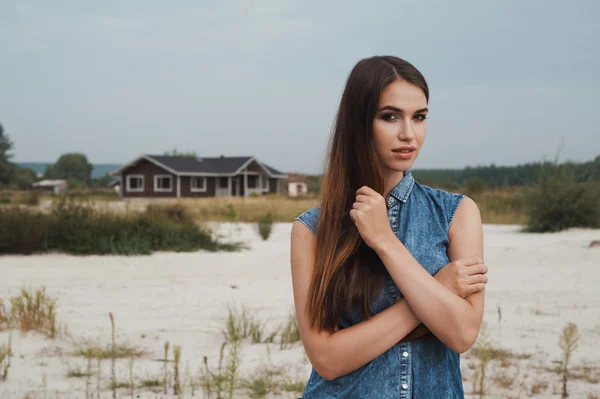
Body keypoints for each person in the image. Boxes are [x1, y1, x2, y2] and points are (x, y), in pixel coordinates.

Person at [290, 55, 488, 398]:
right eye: (390, 116)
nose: (408, 134)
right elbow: (327, 358)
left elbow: (462, 334)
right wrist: (433, 291)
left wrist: (386, 242)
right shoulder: (311, 230)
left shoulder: (457, 214)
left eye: (420, 117)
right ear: (359, 123)